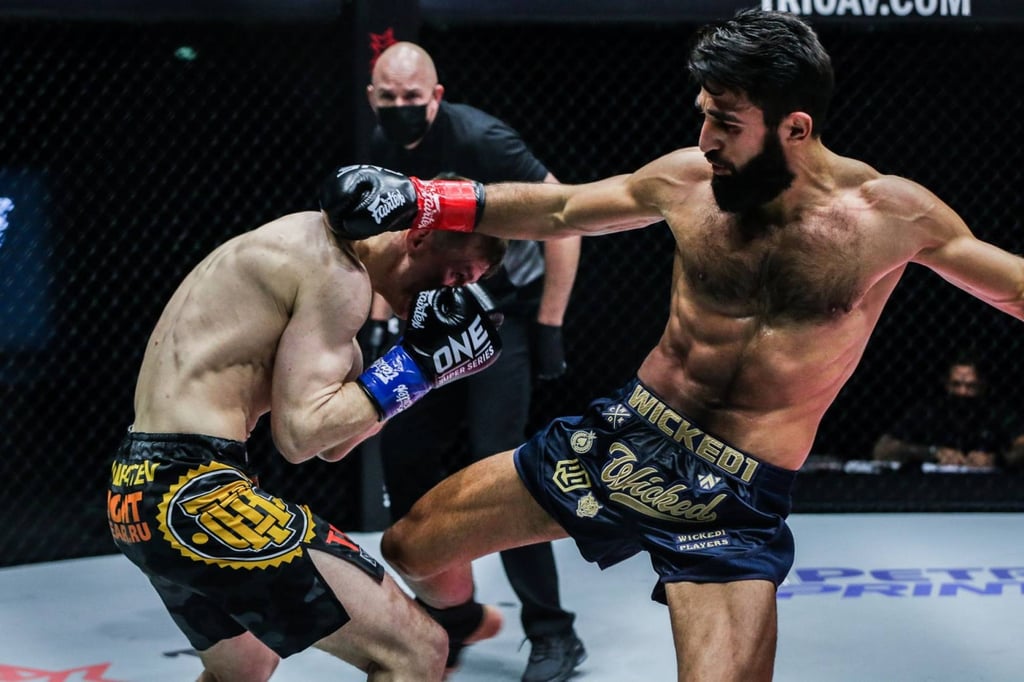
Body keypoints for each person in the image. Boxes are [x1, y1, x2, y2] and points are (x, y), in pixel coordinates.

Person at [319, 9, 1024, 681]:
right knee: (412, 544)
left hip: (736, 491)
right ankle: (462, 624)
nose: (708, 137)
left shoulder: (891, 215)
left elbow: (1013, 289)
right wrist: (426, 199)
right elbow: (563, 209)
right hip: (630, 433)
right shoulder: (690, 181)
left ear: (796, 128)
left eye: (726, 121)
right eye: (705, 113)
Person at [105, 206, 508, 681]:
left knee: (245, 666)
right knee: (417, 650)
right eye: (455, 274)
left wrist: (426, 373)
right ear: (418, 239)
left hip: (134, 489)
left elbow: (333, 445)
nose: (449, 293)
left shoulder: (303, 254)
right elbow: (299, 437)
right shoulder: (337, 271)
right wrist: (418, 365)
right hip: (195, 489)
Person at [360, 41, 586, 681]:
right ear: (373, 97)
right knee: (402, 459)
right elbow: (383, 249)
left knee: (499, 467)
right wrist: (381, 326)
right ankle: (451, 621)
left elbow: (562, 218)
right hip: (424, 316)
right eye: (390, 97)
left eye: (413, 96)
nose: (402, 107)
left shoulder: (484, 140)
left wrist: (548, 325)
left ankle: (552, 631)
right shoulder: (379, 150)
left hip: (501, 315)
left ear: (436, 96)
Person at [873, 354, 1024, 469]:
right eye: (956, 384)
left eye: (970, 386)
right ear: (946, 384)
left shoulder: (996, 411)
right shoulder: (929, 410)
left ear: (982, 386)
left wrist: (996, 459)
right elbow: (883, 449)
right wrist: (932, 453)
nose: (962, 392)